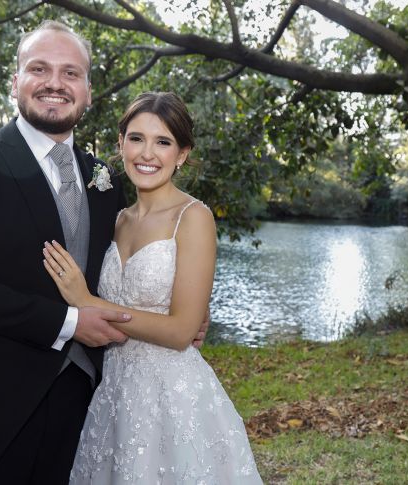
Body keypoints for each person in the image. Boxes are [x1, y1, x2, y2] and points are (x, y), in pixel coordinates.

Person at [0, 21, 208, 484]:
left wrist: (182, 317)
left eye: (71, 73)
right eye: (39, 69)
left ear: (88, 91)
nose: (55, 83)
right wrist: (70, 322)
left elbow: (129, 266)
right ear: (15, 82)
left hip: (83, 404)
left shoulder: (105, 180)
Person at [42, 91, 263, 483]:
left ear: (181, 154)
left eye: (163, 142)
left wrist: (88, 302)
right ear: (120, 144)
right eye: (137, 138)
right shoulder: (114, 217)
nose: (147, 153)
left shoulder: (193, 217)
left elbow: (181, 331)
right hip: (114, 392)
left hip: (173, 395)